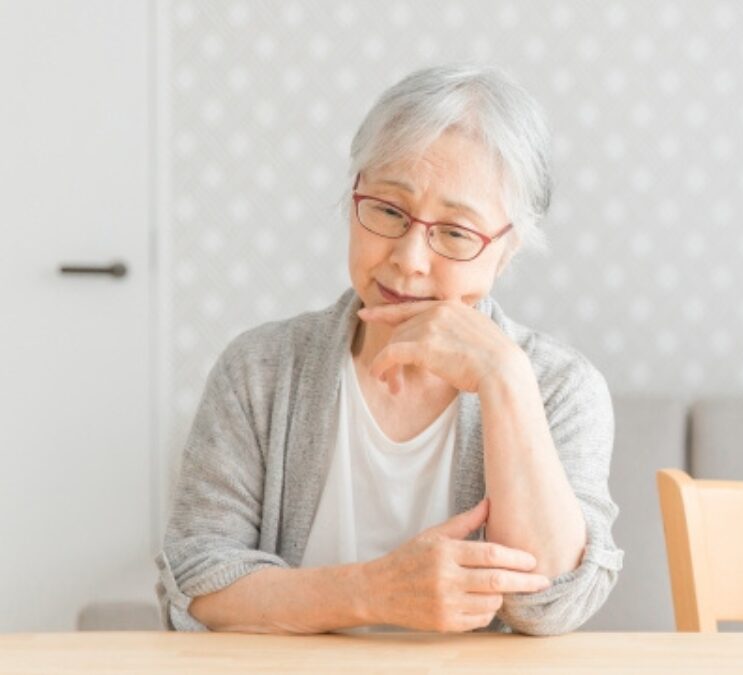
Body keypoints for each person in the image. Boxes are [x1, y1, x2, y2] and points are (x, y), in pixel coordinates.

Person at [155, 64, 622, 636]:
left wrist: (505, 379)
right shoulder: (258, 370)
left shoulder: (560, 387)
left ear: (506, 251)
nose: (409, 259)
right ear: (355, 192)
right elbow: (196, 584)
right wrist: (373, 593)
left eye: (454, 232)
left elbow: (551, 606)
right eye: (389, 211)